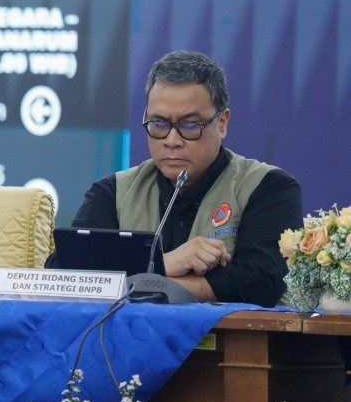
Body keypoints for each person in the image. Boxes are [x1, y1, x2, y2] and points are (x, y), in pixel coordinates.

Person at [46, 50, 303, 306]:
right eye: (159, 124)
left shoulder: (269, 187)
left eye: (190, 125)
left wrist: (140, 281)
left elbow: (262, 282)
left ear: (222, 122)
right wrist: (163, 264)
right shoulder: (112, 192)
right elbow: (63, 273)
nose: (172, 141)